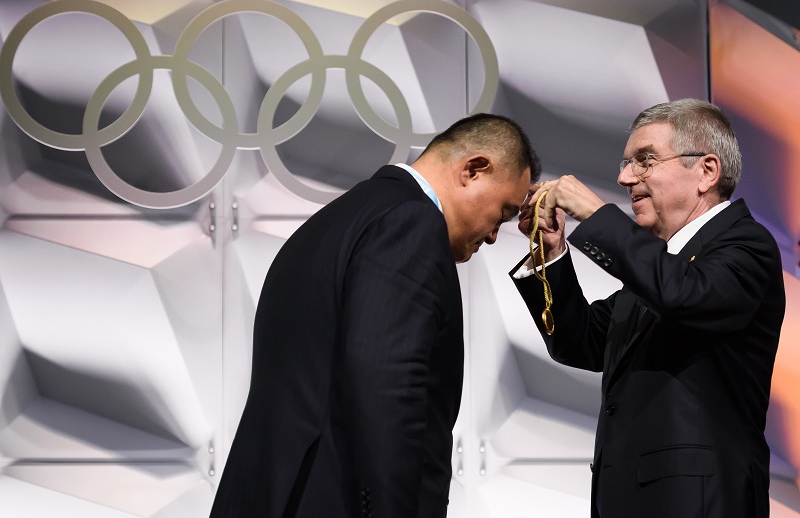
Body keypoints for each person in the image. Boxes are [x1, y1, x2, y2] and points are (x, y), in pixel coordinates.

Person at [210, 113, 540, 518]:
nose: (493, 234)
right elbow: (385, 389)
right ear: (472, 170)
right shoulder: (412, 225)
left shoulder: (340, 218)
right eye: (504, 213)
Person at [510, 98, 785, 518]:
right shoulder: (661, 268)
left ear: (706, 172)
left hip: (699, 503)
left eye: (644, 161)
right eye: (626, 163)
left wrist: (597, 215)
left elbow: (684, 295)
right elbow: (581, 342)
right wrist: (551, 255)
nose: (624, 177)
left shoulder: (747, 246)